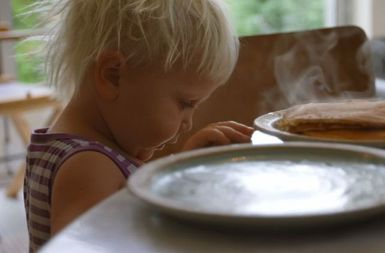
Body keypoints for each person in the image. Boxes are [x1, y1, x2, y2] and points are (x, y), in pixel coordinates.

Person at [23, 0, 254, 251]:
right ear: (113, 75)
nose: (189, 122)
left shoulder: (78, 148)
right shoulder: (89, 165)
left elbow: (130, 205)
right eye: (185, 103)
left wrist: (179, 173)